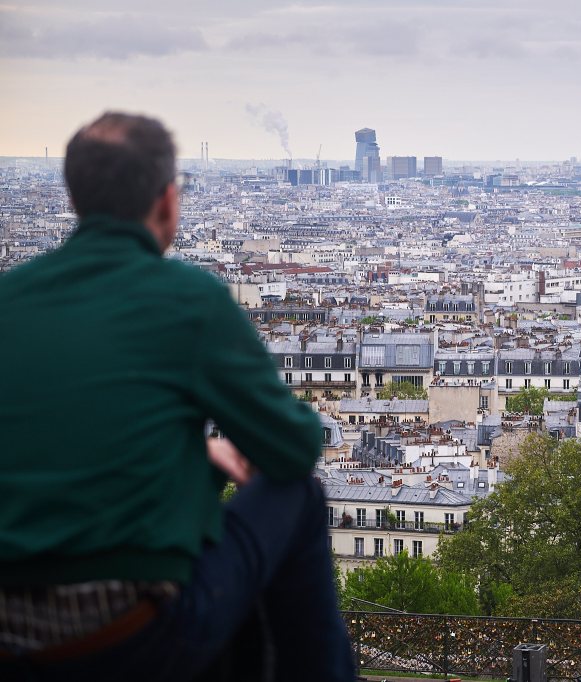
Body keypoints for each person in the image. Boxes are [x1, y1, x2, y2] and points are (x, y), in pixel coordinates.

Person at [0, 112, 356, 680]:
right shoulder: (187, 298)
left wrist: (191, 456)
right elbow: (294, 447)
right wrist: (204, 453)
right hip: (132, 634)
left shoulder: (10, 297)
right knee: (299, 495)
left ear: (74, 198)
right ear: (167, 201)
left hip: (10, 632)